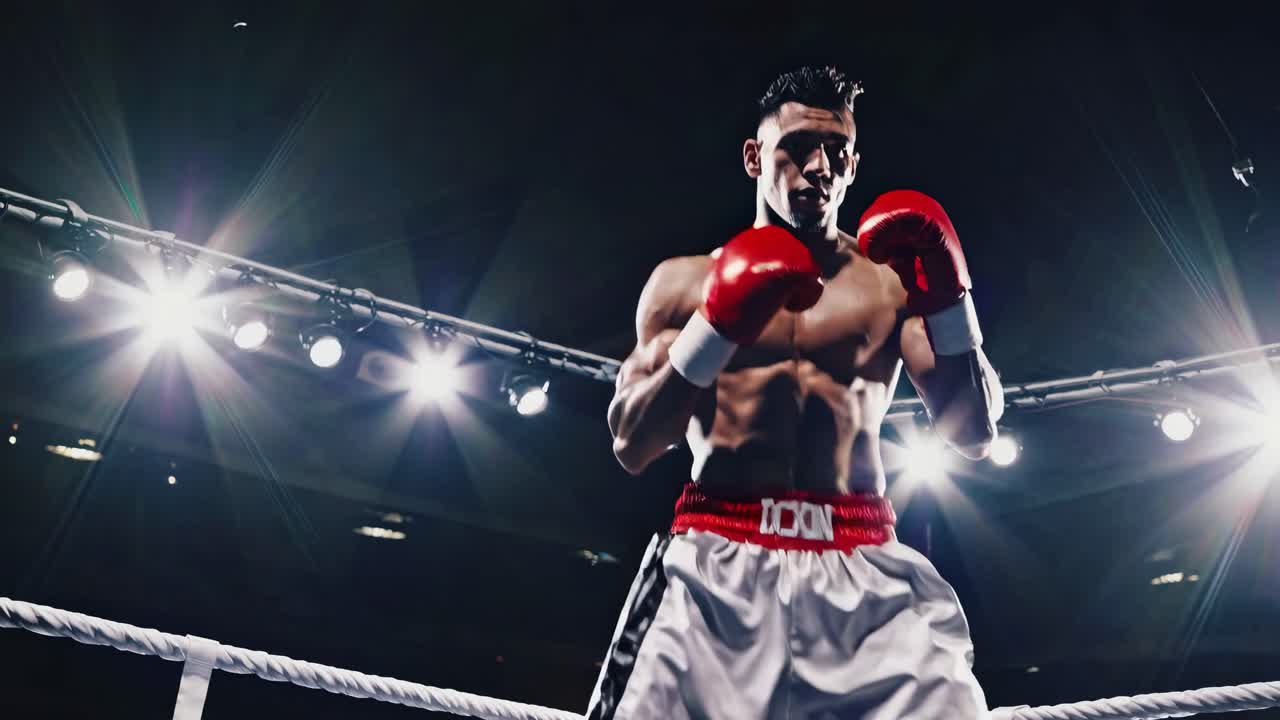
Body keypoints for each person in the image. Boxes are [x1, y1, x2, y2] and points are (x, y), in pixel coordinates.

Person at [587, 66, 1005, 719]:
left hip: (860, 561)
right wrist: (715, 326)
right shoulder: (683, 284)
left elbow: (973, 434)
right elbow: (631, 444)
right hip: (716, 561)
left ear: (854, 164)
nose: (819, 168)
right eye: (797, 148)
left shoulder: (889, 285)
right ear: (755, 158)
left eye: (837, 151)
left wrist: (953, 301)